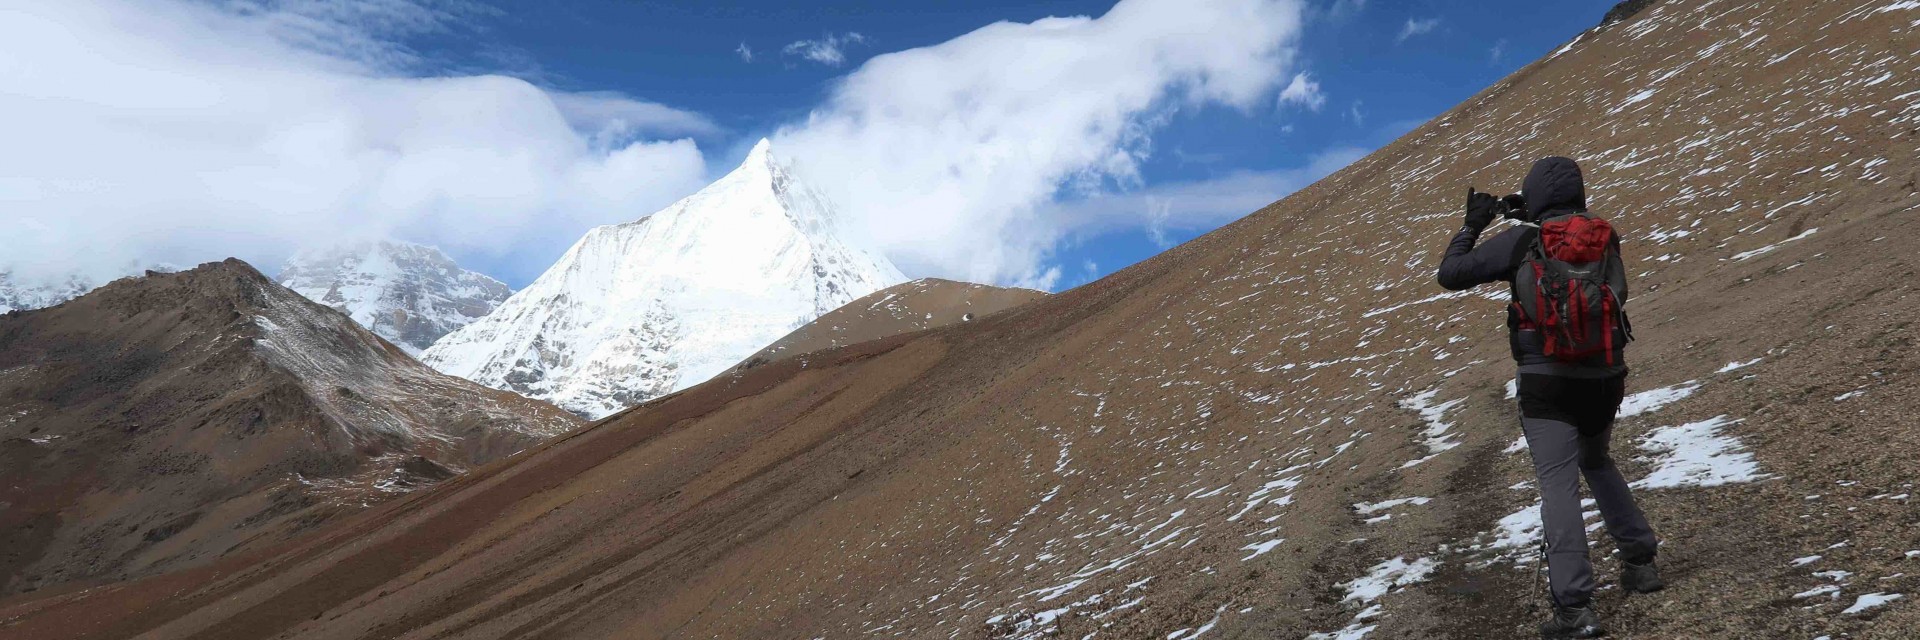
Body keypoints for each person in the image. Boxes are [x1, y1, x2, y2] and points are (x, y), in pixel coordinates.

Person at [1435, 157, 1662, 639]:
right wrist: (1530, 216)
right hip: (1605, 375)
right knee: (1597, 462)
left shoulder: (1523, 241)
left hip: (1546, 381)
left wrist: (1474, 224)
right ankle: (1641, 561)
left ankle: (1575, 609)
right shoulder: (1603, 235)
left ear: (1534, 195)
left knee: (1558, 485)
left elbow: (1451, 273)